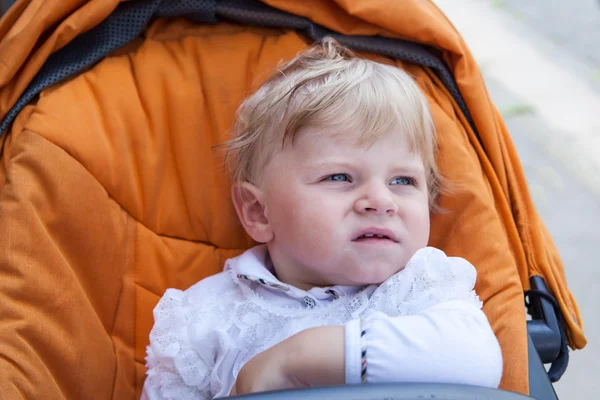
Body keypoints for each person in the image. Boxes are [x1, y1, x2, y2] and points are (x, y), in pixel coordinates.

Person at [141, 38, 503, 400]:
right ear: (257, 211)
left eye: (403, 181)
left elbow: (478, 361)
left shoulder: (418, 289)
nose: (380, 200)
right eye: (339, 177)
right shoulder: (206, 318)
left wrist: (295, 359)